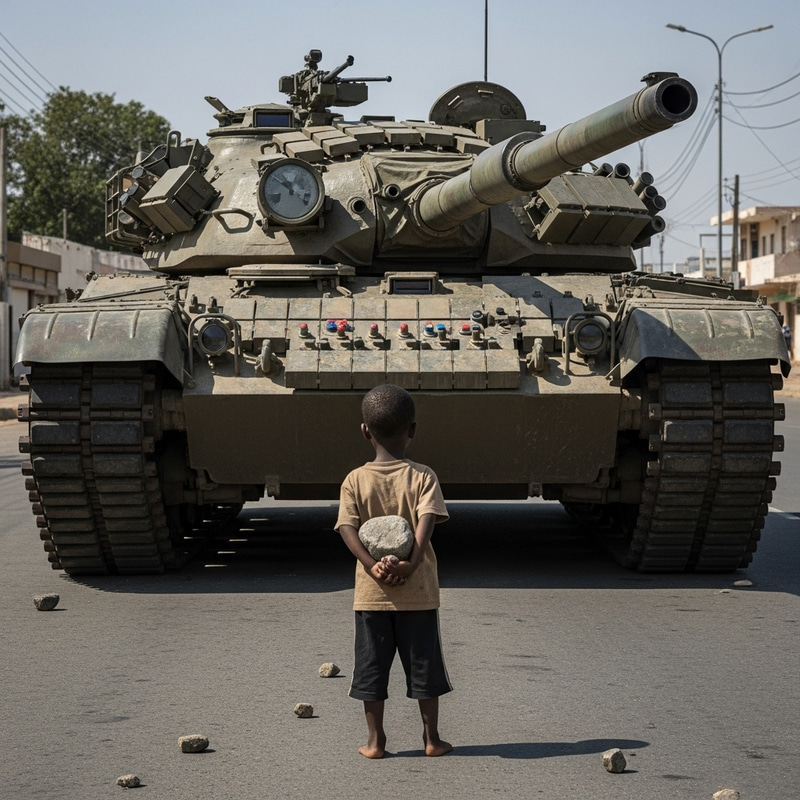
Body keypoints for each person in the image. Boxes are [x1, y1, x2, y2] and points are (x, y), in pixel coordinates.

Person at [335, 384, 452, 759]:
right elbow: (426, 521)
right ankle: (432, 739)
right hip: (417, 593)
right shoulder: (423, 476)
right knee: (424, 668)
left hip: (372, 596)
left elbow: (347, 528)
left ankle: (375, 742)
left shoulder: (354, 479)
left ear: (365, 431)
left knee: (371, 670)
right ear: (412, 430)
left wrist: (372, 566)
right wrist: (411, 563)